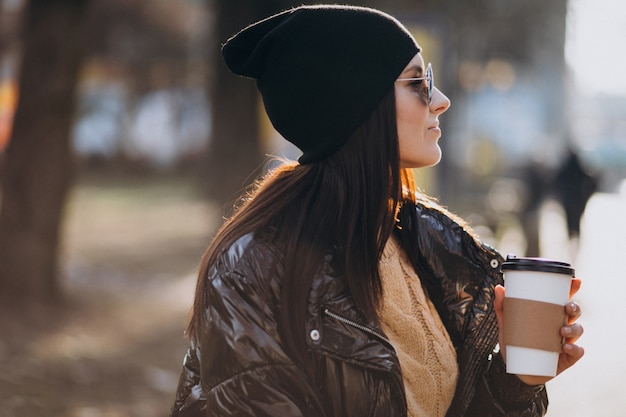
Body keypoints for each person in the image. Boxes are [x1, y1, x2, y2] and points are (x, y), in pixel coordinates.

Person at [170, 5, 584, 417]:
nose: (440, 100)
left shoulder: (426, 245)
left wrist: (514, 383)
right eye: (419, 82)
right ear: (355, 104)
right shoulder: (256, 270)